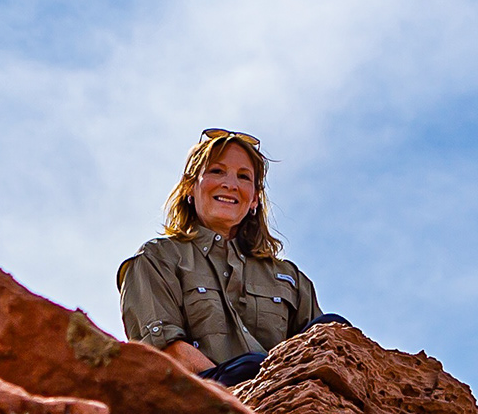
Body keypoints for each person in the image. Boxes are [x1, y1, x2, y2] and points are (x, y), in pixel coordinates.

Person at [117, 127, 334, 384]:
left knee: (333, 326)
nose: (230, 185)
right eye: (217, 171)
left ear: (254, 198)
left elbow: (322, 352)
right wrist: (247, 389)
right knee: (249, 367)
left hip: (282, 395)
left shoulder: (290, 279)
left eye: (243, 177)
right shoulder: (156, 260)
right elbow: (167, 350)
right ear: (189, 187)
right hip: (204, 399)